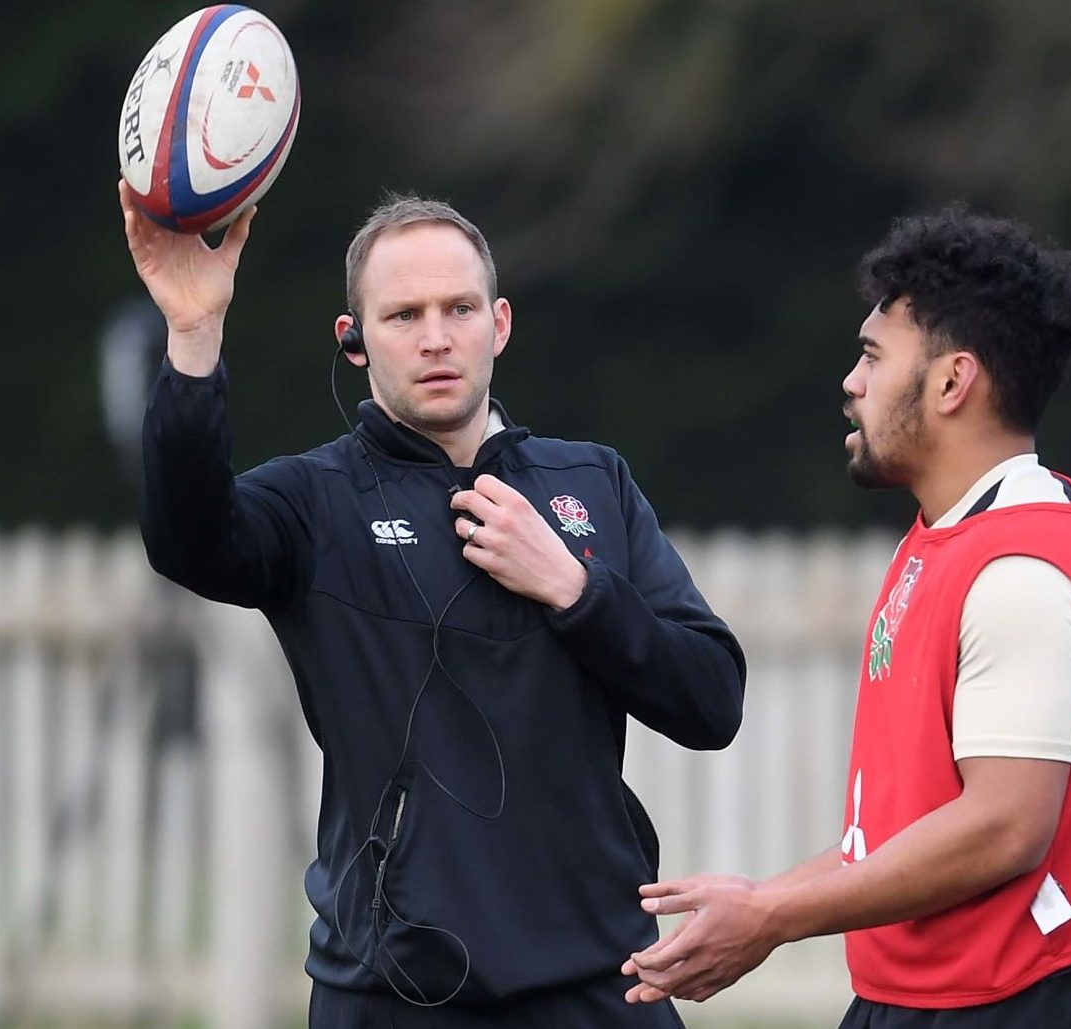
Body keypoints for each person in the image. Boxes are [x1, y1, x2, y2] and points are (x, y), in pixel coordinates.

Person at [119, 181, 747, 1028]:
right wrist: (194, 333)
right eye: (403, 315)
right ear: (353, 342)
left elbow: (711, 698)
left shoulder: (591, 483)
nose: (436, 337)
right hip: (392, 992)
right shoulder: (314, 501)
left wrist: (573, 587)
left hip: (602, 980)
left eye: (458, 307)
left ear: (501, 324)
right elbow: (186, 538)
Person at [622, 207, 1071, 1027]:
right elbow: (903, 832)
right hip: (922, 999)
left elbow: (1003, 827)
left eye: (871, 355)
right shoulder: (949, 537)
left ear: (951, 381)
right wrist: (764, 898)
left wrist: (775, 919)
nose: (850, 381)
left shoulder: (1020, 570)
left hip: (1006, 1009)